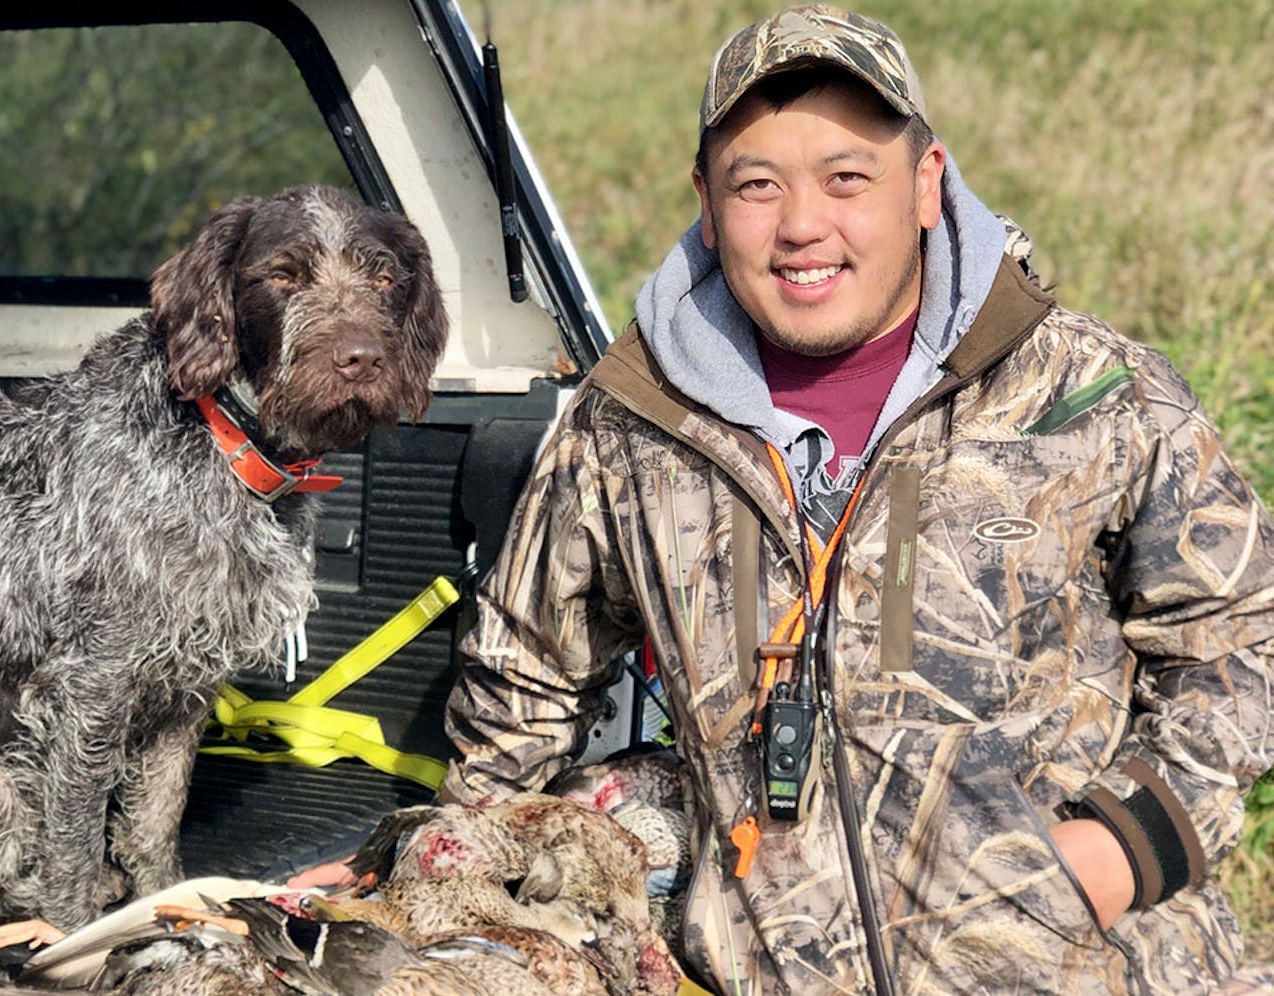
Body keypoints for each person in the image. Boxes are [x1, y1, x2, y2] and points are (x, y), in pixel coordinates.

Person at [428, 4, 1274, 993]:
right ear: (704, 202)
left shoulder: (1088, 396)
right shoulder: (629, 429)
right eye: (756, 186)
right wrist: (442, 882)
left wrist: (1121, 849)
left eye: (846, 178)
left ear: (924, 183)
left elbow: (1236, 634)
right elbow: (522, 677)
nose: (799, 226)